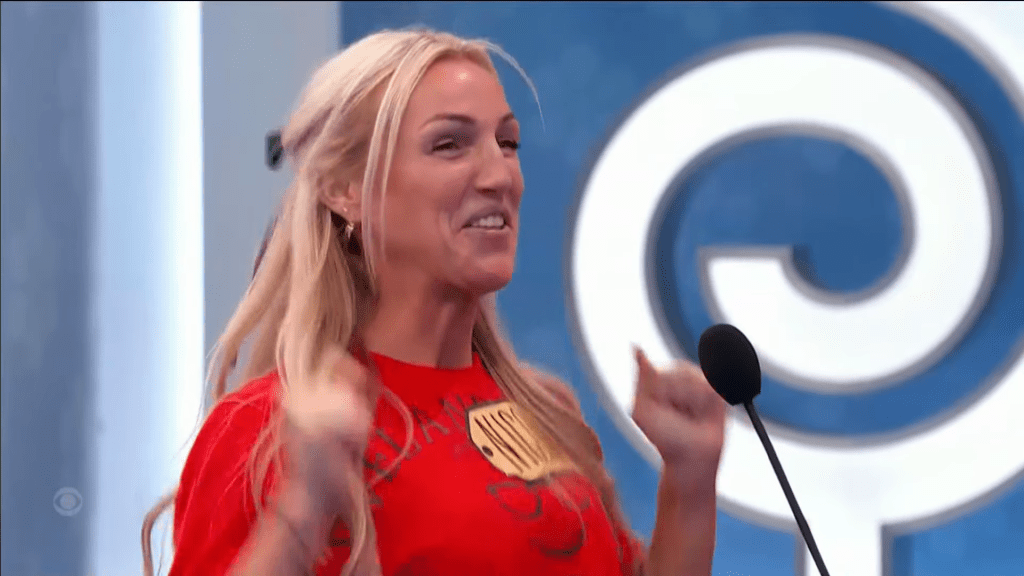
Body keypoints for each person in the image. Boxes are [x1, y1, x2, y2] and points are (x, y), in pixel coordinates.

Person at [141, 27, 726, 576]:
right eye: (450, 144)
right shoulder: (265, 430)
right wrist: (303, 510)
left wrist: (690, 480)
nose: (500, 175)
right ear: (346, 191)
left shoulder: (547, 412)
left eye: (508, 142)